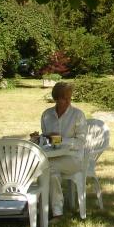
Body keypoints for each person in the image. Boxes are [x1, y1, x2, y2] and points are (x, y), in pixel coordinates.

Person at [40, 81, 86, 217]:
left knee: (47, 168)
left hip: (74, 158)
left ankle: (48, 208)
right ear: (56, 98)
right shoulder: (47, 115)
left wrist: (59, 139)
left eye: (69, 98)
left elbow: (81, 142)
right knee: (49, 170)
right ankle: (55, 211)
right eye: (63, 99)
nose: (67, 101)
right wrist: (40, 138)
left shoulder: (78, 115)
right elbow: (45, 139)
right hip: (53, 156)